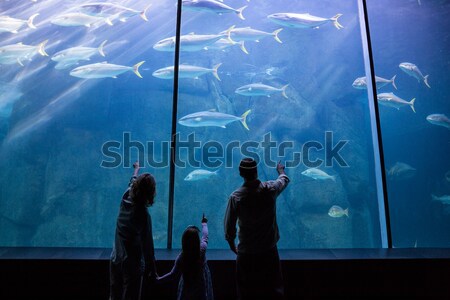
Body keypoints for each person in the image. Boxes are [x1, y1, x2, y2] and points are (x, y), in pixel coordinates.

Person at [224, 158, 290, 300]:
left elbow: (229, 227)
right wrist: (281, 170)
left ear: (241, 173)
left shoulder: (236, 197)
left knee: (246, 292)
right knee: (273, 290)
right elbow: (283, 181)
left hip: (246, 253)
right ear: (256, 171)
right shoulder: (270, 189)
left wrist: (232, 245)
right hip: (269, 251)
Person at [110, 161, 158, 300]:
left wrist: (136, 170)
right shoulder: (143, 215)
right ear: (150, 194)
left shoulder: (125, 197)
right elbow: (148, 246)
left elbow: (132, 182)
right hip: (131, 264)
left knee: (114, 295)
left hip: (116, 257)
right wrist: (153, 270)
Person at [156, 214, 214, 300]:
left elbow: (172, 274)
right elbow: (205, 236)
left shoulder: (182, 257)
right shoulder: (201, 250)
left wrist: (159, 279)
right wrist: (204, 223)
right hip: (201, 286)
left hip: (187, 288)